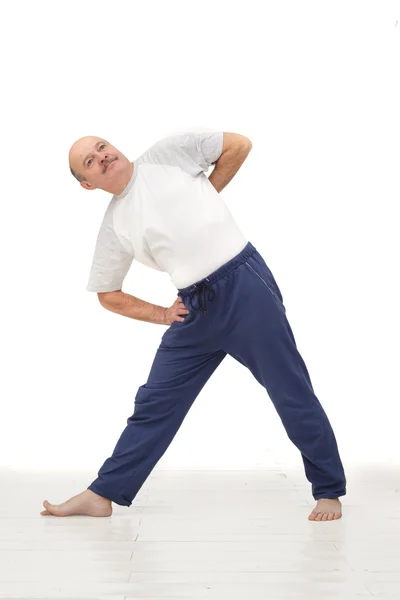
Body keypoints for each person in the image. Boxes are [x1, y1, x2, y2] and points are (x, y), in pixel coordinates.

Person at [40, 131, 346, 521]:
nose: (101, 156)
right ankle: (103, 494)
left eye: (101, 146)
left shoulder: (166, 156)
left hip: (243, 288)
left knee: (289, 389)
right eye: (89, 161)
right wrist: (162, 314)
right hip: (194, 310)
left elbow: (238, 145)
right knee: (154, 403)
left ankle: (329, 490)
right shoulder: (114, 224)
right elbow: (107, 293)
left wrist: (207, 193)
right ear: (88, 184)